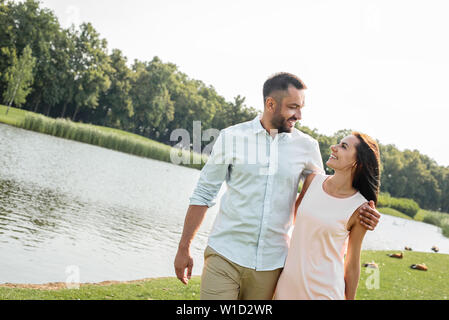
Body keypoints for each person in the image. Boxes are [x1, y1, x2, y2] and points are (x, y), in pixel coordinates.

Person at [174, 72, 381, 300]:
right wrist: (184, 247)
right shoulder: (231, 137)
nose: (299, 115)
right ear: (270, 104)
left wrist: (364, 212)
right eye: (293, 107)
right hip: (225, 253)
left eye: (302, 107)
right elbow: (204, 193)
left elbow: (325, 196)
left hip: (271, 266)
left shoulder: (307, 147)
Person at [274, 132, 381, 300]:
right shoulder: (312, 181)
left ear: (357, 163)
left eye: (343, 146)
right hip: (287, 287)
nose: (334, 147)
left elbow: (352, 263)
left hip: (325, 292)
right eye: (338, 143)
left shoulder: (360, 208)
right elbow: (290, 222)